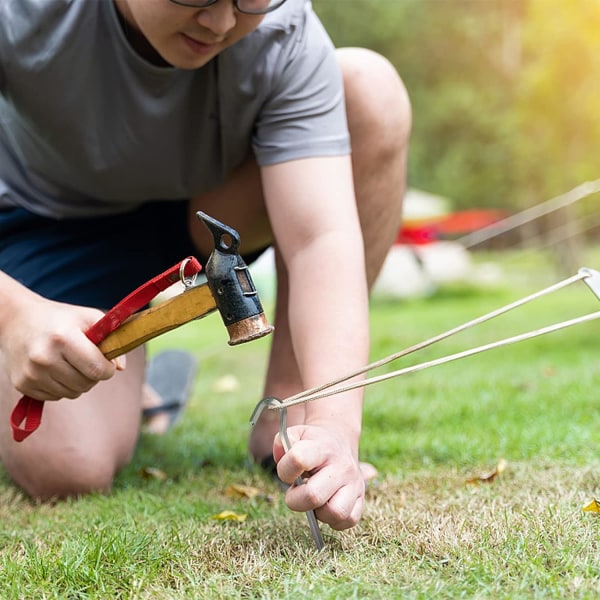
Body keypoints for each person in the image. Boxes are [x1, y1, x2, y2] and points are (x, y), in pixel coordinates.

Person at [0, 0, 410, 531]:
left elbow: (318, 239)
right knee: (66, 468)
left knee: (367, 89)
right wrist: (12, 316)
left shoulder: (287, 31)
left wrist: (333, 422)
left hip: (203, 215)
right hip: (49, 227)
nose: (219, 23)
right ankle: (142, 391)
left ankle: (289, 420)